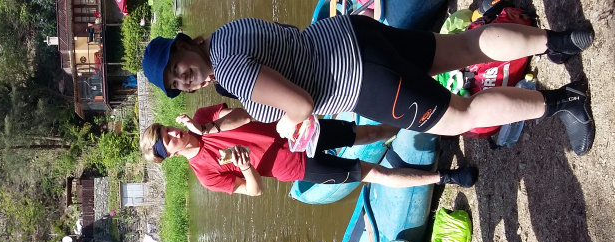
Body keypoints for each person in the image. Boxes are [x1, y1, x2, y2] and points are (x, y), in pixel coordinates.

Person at [142, 15, 595, 155]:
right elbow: (286, 48)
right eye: (176, 83)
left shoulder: (229, 71)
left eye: (177, 67)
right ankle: (559, 41)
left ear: (183, 46)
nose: (184, 79)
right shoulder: (227, 34)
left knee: (461, 116)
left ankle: (564, 101)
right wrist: (226, 121)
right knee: (460, 47)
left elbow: (300, 103)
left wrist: (287, 126)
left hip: (361, 81)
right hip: (350, 34)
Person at [141, 103, 477, 195]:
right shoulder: (205, 174)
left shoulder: (201, 117)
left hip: (298, 130)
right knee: (374, 173)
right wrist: (245, 166)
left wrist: (206, 128)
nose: (174, 134)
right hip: (297, 167)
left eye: (168, 129)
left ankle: (434, 123)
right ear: (169, 155)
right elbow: (254, 191)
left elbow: (245, 113)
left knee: (368, 132)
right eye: (167, 140)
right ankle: (445, 177)